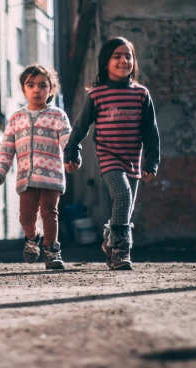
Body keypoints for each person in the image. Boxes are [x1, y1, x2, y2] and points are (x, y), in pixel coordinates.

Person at [64, 37, 160, 270]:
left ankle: (111, 239)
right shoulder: (98, 94)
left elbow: (150, 131)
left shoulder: (141, 94)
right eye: (117, 56)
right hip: (109, 158)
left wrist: (152, 162)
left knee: (126, 209)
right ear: (105, 62)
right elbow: (80, 126)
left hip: (133, 160)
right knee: (123, 196)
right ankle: (119, 251)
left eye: (128, 56)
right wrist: (72, 151)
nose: (123, 60)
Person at [0, 64, 72, 269]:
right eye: (31, 85)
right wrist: (0, 171)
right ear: (23, 90)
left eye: (42, 85)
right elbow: (7, 148)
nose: (37, 90)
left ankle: (52, 250)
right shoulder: (17, 118)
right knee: (26, 217)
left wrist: (72, 157)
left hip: (52, 176)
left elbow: (67, 140)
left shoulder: (58, 116)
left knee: (49, 212)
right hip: (26, 178)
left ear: (51, 89)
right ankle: (32, 237)